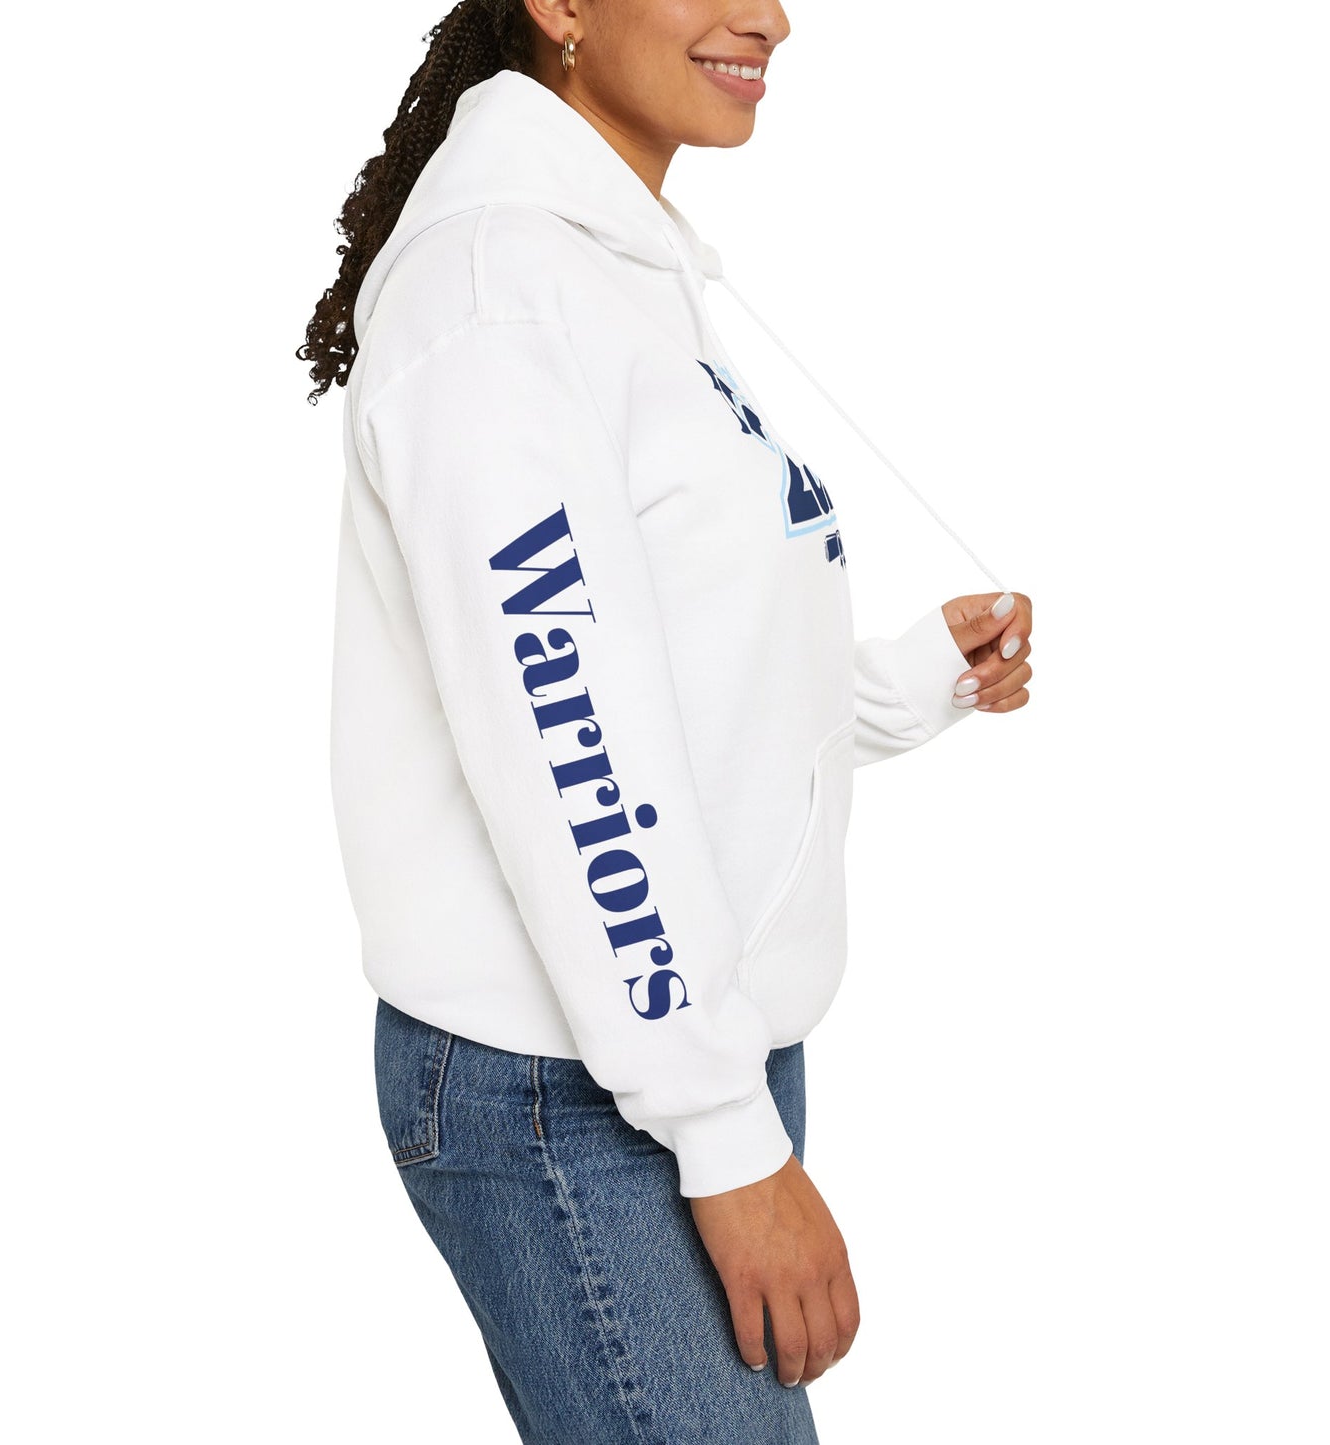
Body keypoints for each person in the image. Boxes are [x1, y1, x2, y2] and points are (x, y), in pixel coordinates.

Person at [299, 3, 1034, 1440]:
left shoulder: (609, 265)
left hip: (672, 1045)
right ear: (560, 5)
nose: (769, 17)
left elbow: (671, 668)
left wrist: (906, 682)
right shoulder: (495, 299)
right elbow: (566, 740)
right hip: (571, 1085)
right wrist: (724, 1135)